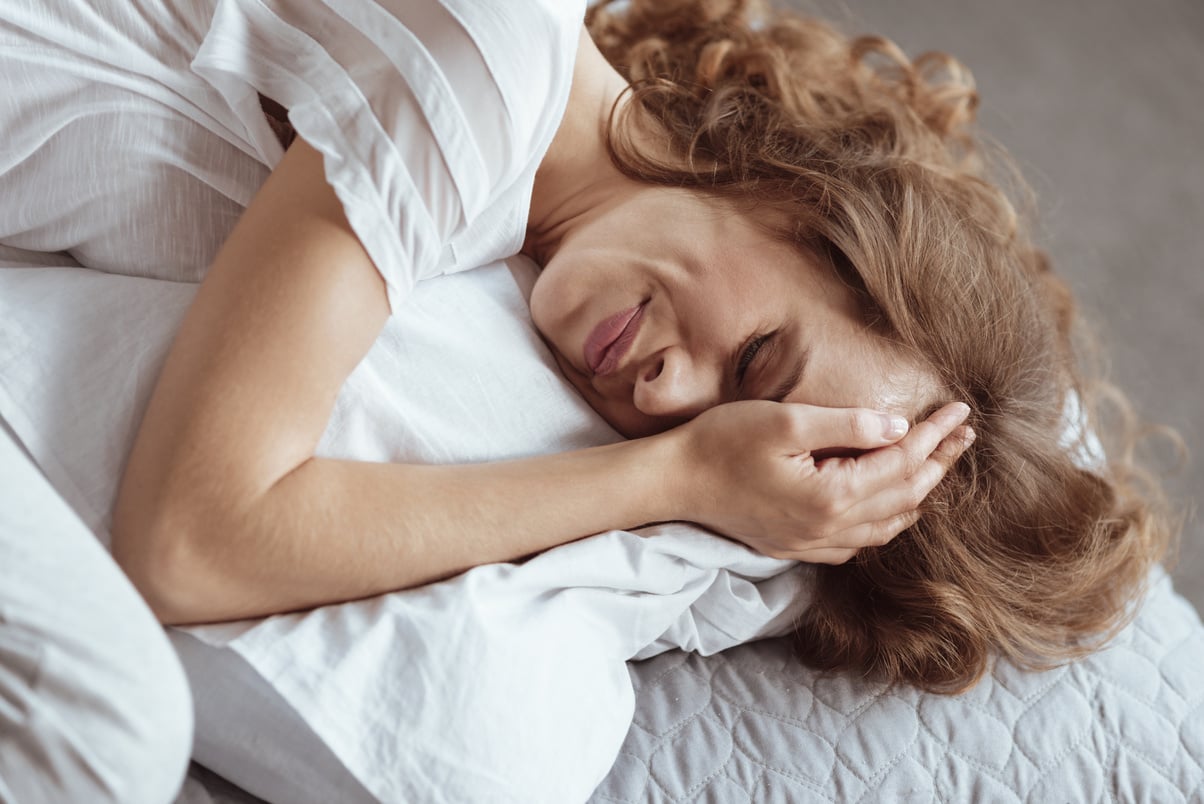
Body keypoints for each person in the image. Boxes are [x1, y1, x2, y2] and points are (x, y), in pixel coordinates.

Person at [0, 0, 1172, 795]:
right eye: (758, 356)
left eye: (711, 421)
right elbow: (193, 540)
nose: (665, 388)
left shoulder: (521, 210)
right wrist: (669, 475)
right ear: (796, 197)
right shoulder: (485, 77)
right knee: (103, 734)